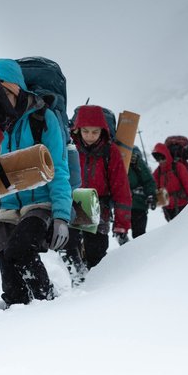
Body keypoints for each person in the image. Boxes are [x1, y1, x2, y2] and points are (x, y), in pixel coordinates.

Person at [0, 58, 72, 306]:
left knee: (20, 250)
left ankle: (48, 304)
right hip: (6, 207)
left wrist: (62, 216)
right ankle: (18, 318)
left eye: (4, 93)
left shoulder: (42, 119)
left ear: (18, 91)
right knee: (9, 275)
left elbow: (60, 169)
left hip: (40, 205)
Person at [69, 105, 132, 269]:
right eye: (86, 131)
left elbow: (121, 189)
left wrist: (121, 224)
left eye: (95, 132)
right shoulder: (70, 148)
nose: (90, 136)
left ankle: (96, 289)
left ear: (102, 130)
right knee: (70, 252)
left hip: (99, 209)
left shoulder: (110, 152)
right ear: (78, 129)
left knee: (96, 256)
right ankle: (75, 286)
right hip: (72, 205)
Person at [152, 142, 188, 221]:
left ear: (167, 155)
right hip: (168, 211)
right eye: (158, 159)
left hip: (184, 207)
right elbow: (153, 188)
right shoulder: (157, 172)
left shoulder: (178, 167)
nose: (161, 161)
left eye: (162, 158)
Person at [128, 146, 157, 238]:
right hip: (128, 205)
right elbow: (149, 180)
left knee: (138, 235)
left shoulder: (136, 160)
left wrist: (151, 195)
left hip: (137, 204)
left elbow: (148, 180)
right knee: (136, 234)